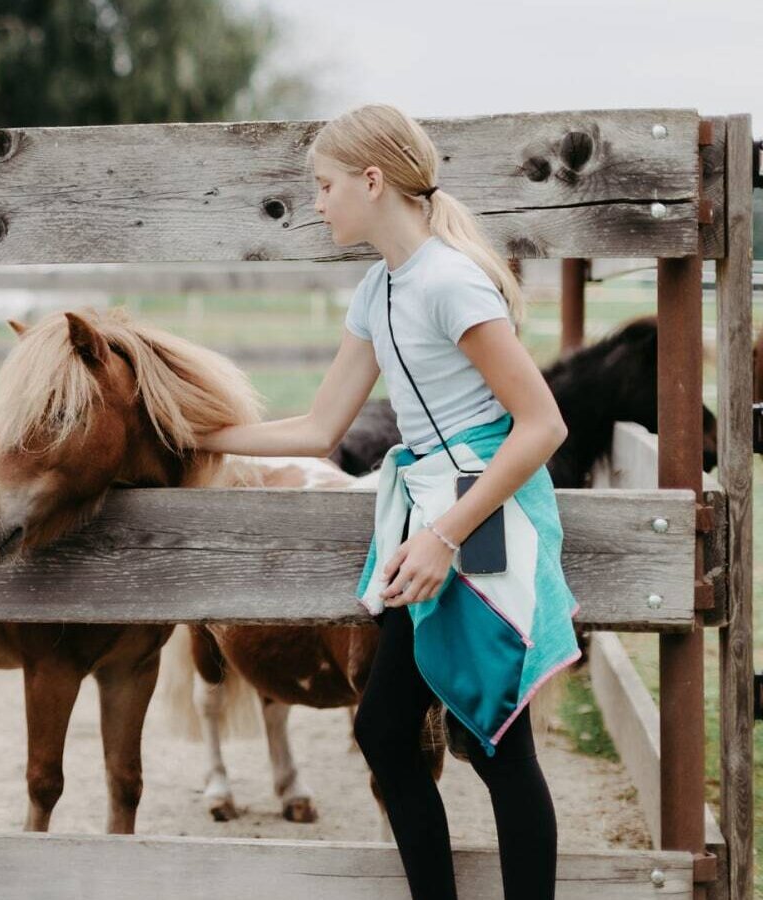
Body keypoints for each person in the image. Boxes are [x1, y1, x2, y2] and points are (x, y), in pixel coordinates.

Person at [196, 104, 579, 899]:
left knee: (500, 742)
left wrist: (444, 536)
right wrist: (202, 437)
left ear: (373, 181)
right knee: (383, 729)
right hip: (430, 509)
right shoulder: (381, 287)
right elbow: (321, 426)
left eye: (325, 184)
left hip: (481, 510)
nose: (317, 201)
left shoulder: (449, 280)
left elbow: (541, 425)